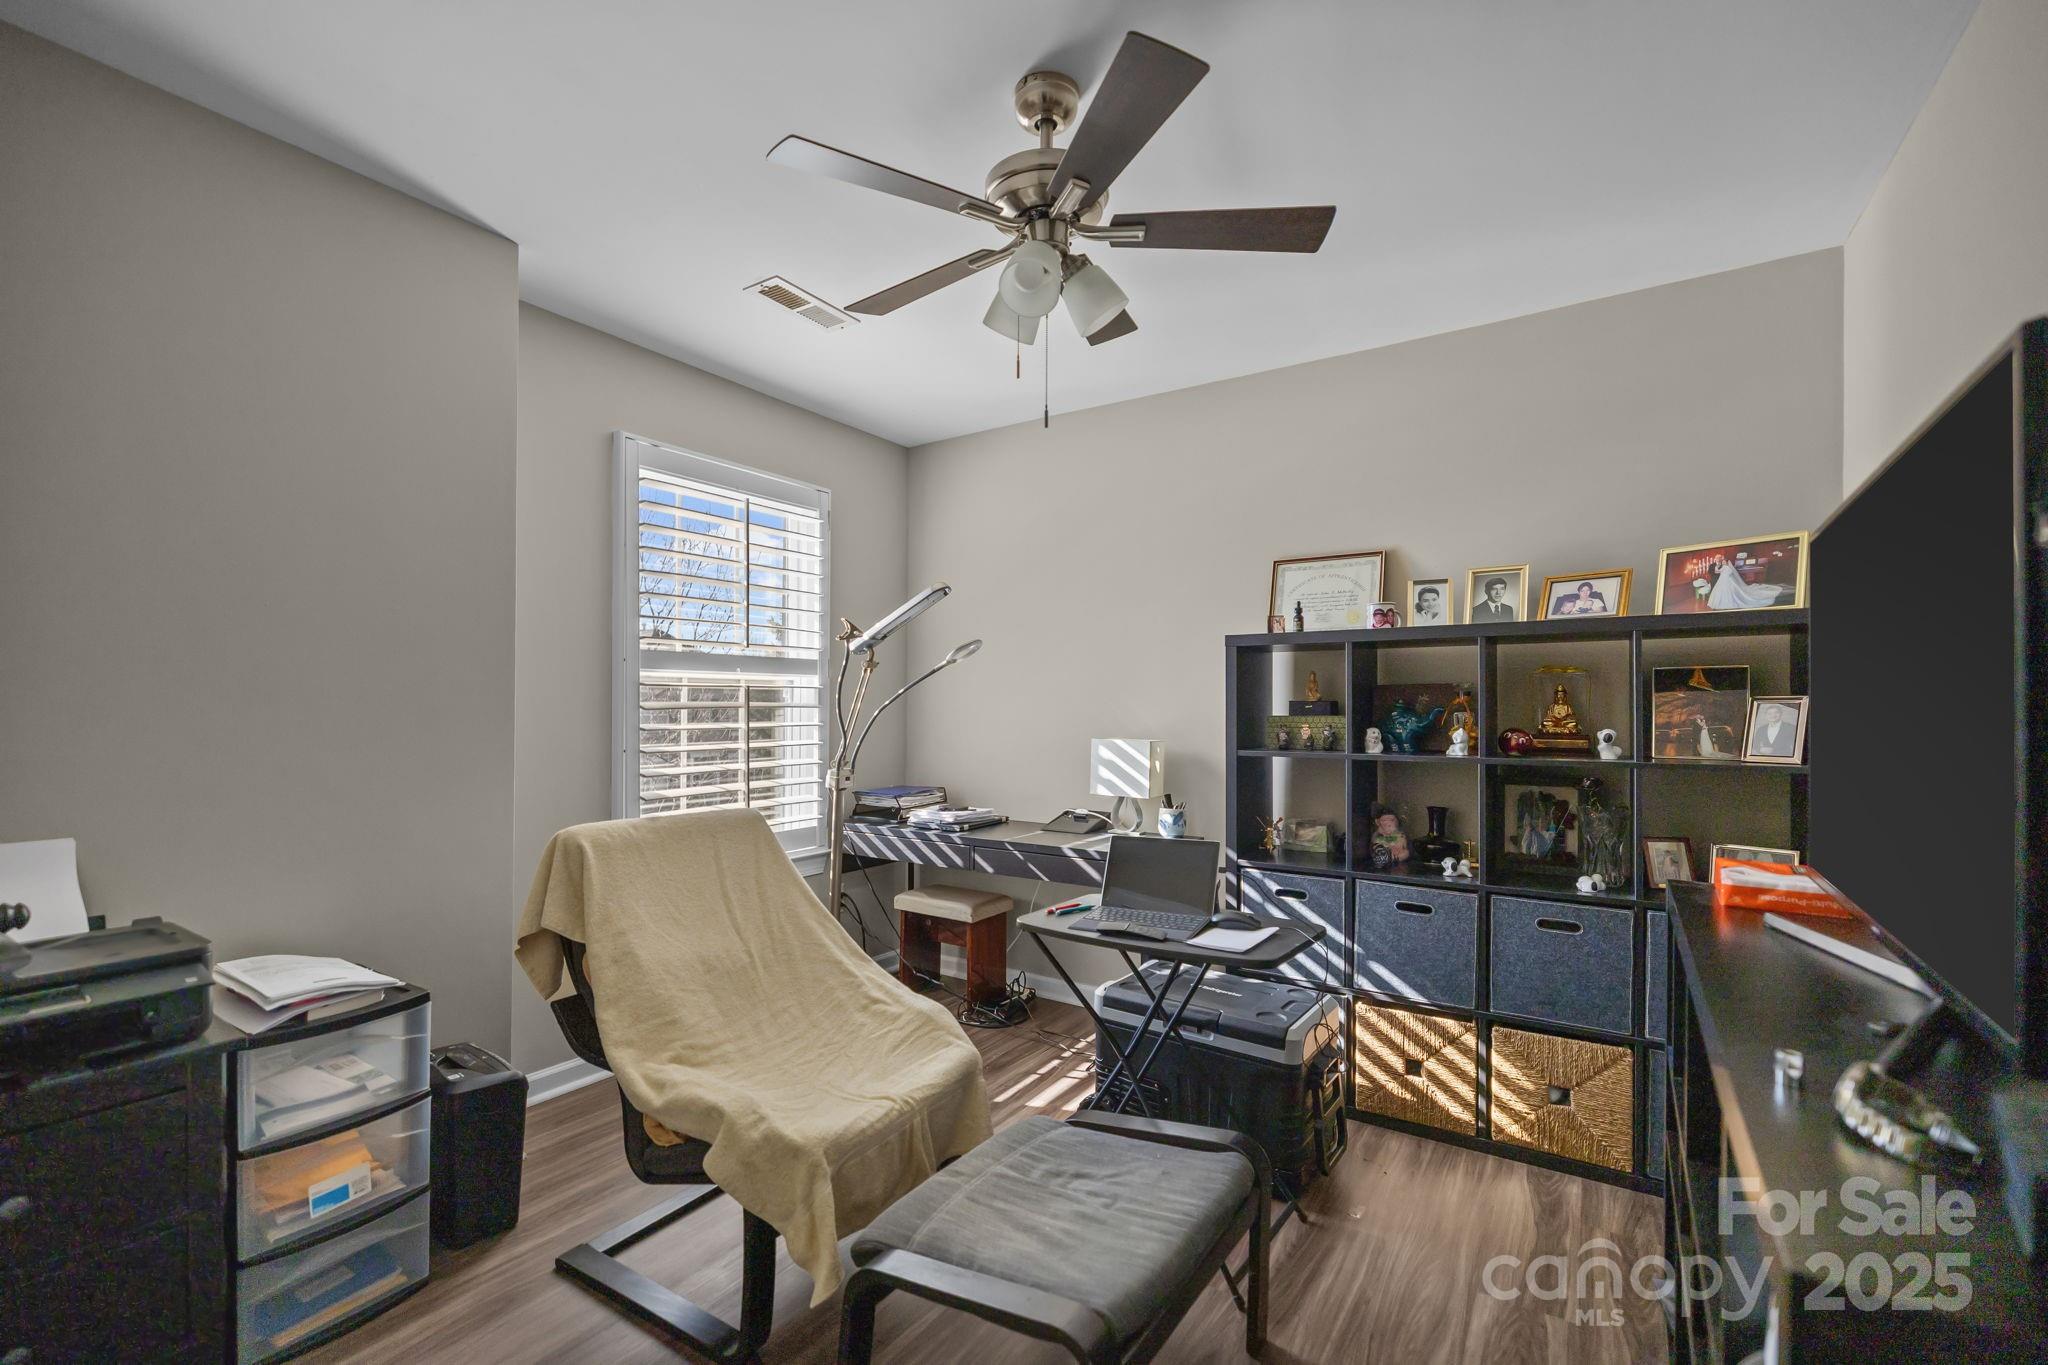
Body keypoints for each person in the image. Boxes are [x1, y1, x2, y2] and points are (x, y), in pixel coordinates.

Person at [1705, 555, 1790, 610]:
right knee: (1720, 591)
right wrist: (1720, 569)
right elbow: (1716, 571)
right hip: (1721, 580)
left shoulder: (1726, 566)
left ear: (1725, 561)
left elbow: (1728, 572)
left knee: (1730, 591)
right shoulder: (1718, 565)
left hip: (1725, 580)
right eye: (1719, 559)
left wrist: (1723, 569)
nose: (1721, 560)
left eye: (1722, 560)